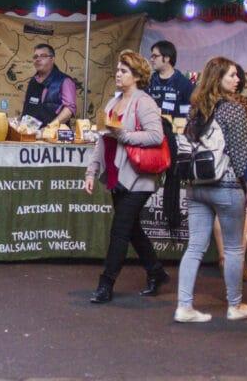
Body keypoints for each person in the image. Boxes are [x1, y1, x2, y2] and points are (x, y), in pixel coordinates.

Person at [174, 56, 247, 323]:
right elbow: (243, 154)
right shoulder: (234, 109)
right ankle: (235, 305)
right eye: (231, 75)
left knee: (195, 247)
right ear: (218, 78)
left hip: (197, 185)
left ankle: (184, 306)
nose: (238, 79)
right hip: (227, 185)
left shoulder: (195, 109)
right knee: (233, 248)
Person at [83, 50, 168, 303]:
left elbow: (157, 135)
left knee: (120, 230)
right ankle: (156, 272)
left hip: (139, 177)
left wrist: (124, 136)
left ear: (137, 76)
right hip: (116, 175)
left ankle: (106, 284)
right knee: (131, 229)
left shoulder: (144, 102)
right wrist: (91, 171)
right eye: (118, 70)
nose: (118, 74)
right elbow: (102, 140)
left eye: (124, 71)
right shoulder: (113, 102)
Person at [213, 64, 247, 284]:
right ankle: (238, 264)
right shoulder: (244, 104)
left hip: (211, 169)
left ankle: (224, 258)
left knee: (219, 213)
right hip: (237, 168)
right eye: (233, 75)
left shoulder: (207, 102)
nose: (236, 79)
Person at [21, 43, 77, 128]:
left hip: (53, 134)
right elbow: (27, 109)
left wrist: (49, 128)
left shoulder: (65, 81)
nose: (38, 59)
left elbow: (69, 110)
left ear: (52, 59)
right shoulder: (33, 81)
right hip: (31, 133)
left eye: (43, 56)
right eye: (35, 57)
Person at [147, 40, 194, 119]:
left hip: (175, 126)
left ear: (167, 58)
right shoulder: (148, 81)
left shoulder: (184, 84)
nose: (152, 59)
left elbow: (189, 113)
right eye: (151, 56)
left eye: (155, 56)